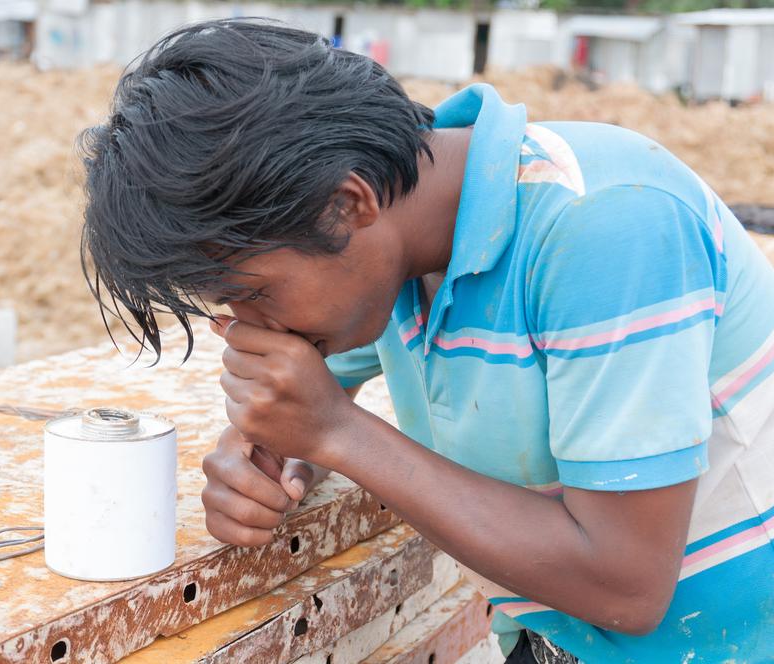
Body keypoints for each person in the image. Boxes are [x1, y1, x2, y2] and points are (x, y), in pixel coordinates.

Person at [79, 19, 774, 663]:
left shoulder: (605, 228)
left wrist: (334, 433)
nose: (253, 325)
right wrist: (266, 450)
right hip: (554, 639)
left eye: (255, 292)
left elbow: (626, 587)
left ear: (350, 203)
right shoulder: (402, 243)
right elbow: (316, 398)